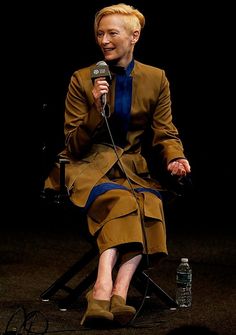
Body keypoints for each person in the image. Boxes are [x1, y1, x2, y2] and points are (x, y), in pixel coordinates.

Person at [44, 2, 191, 328]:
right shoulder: (82, 79)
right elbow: (74, 144)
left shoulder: (156, 78)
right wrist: (97, 108)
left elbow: (165, 132)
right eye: (100, 33)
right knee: (122, 201)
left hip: (132, 169)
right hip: (86, 167)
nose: (104, 40)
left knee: (149, 202)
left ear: (134, 35)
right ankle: (102, 288)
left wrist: (176, 157)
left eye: (112, 33)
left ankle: (118, 294)